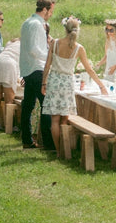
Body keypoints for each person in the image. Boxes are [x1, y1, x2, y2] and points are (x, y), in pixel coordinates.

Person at [42, 16, 107, 153]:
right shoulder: (79, 48)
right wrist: (101, 85)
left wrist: (44, 82)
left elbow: (47, 65)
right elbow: (89, 69)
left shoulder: (55, 43)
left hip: (54, 81)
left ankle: (58, 149)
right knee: (64, 118)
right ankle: (64, 150)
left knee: (54, 119)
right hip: (67, 82)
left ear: (65, 29)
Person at [19, 0, 56, 150]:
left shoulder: (28, 22)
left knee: (28, 105)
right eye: (51, 11)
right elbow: (34, 50)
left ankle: (27, 140)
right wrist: (50, 57)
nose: (51, 14)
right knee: (46, 105)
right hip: (36, 69)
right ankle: (48, 143)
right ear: (45, 9)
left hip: (29, 68)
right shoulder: (35, 24)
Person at [0, 39, 21, 130]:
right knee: (9, 100)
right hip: (8, 64)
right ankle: (10, 126)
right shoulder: (26, 45)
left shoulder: (11, 42)